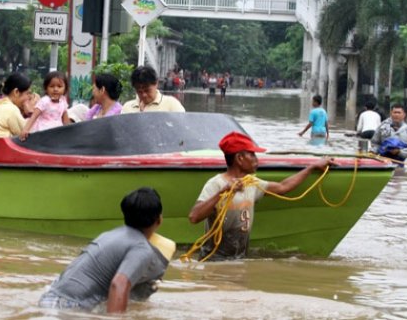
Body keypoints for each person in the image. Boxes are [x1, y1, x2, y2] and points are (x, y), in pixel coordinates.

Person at [187, 132, 333, 260]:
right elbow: (194, 217)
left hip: (238, 260)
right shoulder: (216, 184)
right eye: (252, 154)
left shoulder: (253, 184)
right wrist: (223, 192)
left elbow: (283, 187)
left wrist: (312, 167)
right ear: (239, 158)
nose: (257, 159)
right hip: (214, 260)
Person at [39, 187, 171, 313]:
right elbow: (119, 284)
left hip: (49, 297)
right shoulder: (142, 249)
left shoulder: (108, 235)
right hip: (70, 306)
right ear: (159, 220)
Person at [19, 71, 70, 140]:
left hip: (57, 130)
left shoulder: (63, 101)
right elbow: (34, 116)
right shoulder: (44, 101)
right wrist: (25, 129)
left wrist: (70, 132)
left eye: (59, 86)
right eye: (52, 86)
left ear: (65, 88)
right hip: (43, 130)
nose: (55, 89)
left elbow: (66, 120)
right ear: (46, 88)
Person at [0, 73, 32, 138]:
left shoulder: (0, 105)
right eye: (27, 93)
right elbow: (26, 134)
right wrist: (30, 113)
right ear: (16, 92)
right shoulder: (11, 109)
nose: (29, 98)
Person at [121, 66, 185, 113]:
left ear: (156, 83)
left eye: (147, 90)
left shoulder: (171, 105)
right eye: (139, 91)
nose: (144, 95)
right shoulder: (127, 107)